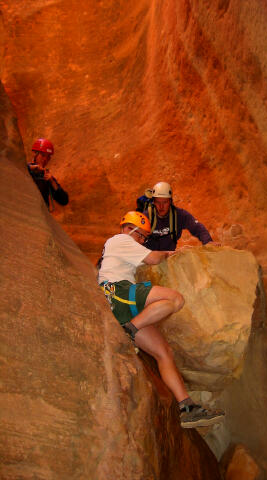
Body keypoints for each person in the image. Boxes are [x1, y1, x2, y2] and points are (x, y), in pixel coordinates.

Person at [98, 211, 224, 428]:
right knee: (175, 299)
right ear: (130, 229)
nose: (142, 241)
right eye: (141, 236)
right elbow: (153, 258)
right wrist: (169, 253)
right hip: (117, 292)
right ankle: (128, 331)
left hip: (122, 302)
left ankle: (187, 408)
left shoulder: (119, 248)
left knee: (164, 352)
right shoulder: (120, 239)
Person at [141, 182, 218, 251]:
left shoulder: (179, 215)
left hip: (168, 257)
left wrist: (208, 242)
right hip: (149, 257)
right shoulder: (147, 216)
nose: (161, 207)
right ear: (153, 202)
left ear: (170, 201)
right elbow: (135, 236)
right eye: (158, 202)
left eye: (165, 202)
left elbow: (197, 227)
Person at [27, 138, 69, 210]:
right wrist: (32, 168)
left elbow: (64, 200)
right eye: (43, 155)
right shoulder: (24, 168)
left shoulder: (46, 176)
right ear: (35, 154)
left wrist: (52, 182)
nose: (45, 160)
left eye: (48, 157)